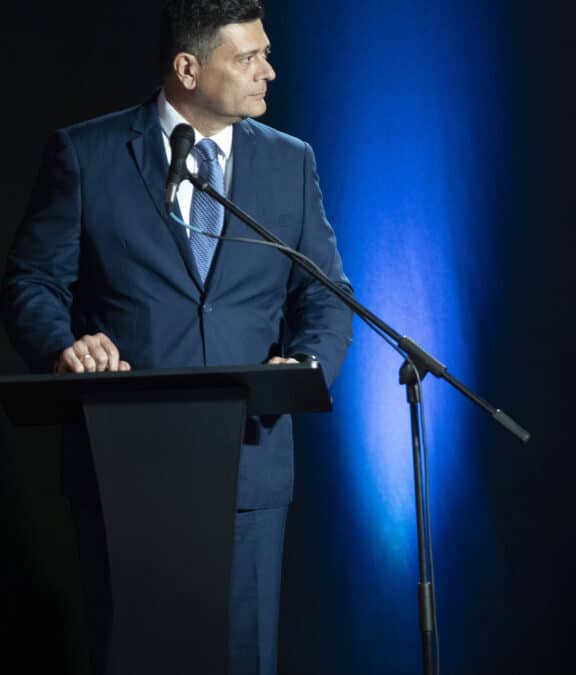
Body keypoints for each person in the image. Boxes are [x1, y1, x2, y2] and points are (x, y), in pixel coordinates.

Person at [1, 1, 352, 673]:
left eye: (266, 53)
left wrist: (303, 364)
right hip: (123, 462)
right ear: (188, 68)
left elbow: (327, 296)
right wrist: (61, 345)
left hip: (250, 456)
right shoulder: (87, 154)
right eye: (248, 58)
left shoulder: (291, 163)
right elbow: (30, 282)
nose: (269, 72)